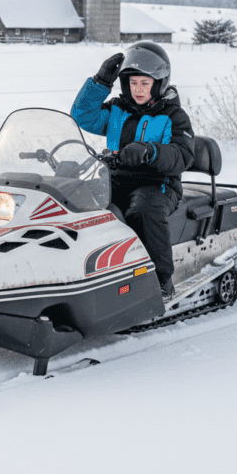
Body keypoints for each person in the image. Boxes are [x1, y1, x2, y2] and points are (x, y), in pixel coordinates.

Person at [71, 41, 195, 300]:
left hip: (158, 183)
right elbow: (82, 115)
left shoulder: (174, 116)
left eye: (145, 83)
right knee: (79, 206)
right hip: (115, 179)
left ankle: (161, 281)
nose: (138, 90)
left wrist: (151, 152)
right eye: (133, 83)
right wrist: (99, 82)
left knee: (141, 210)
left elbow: (182, 154)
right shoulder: (117, 110)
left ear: (159, 83)